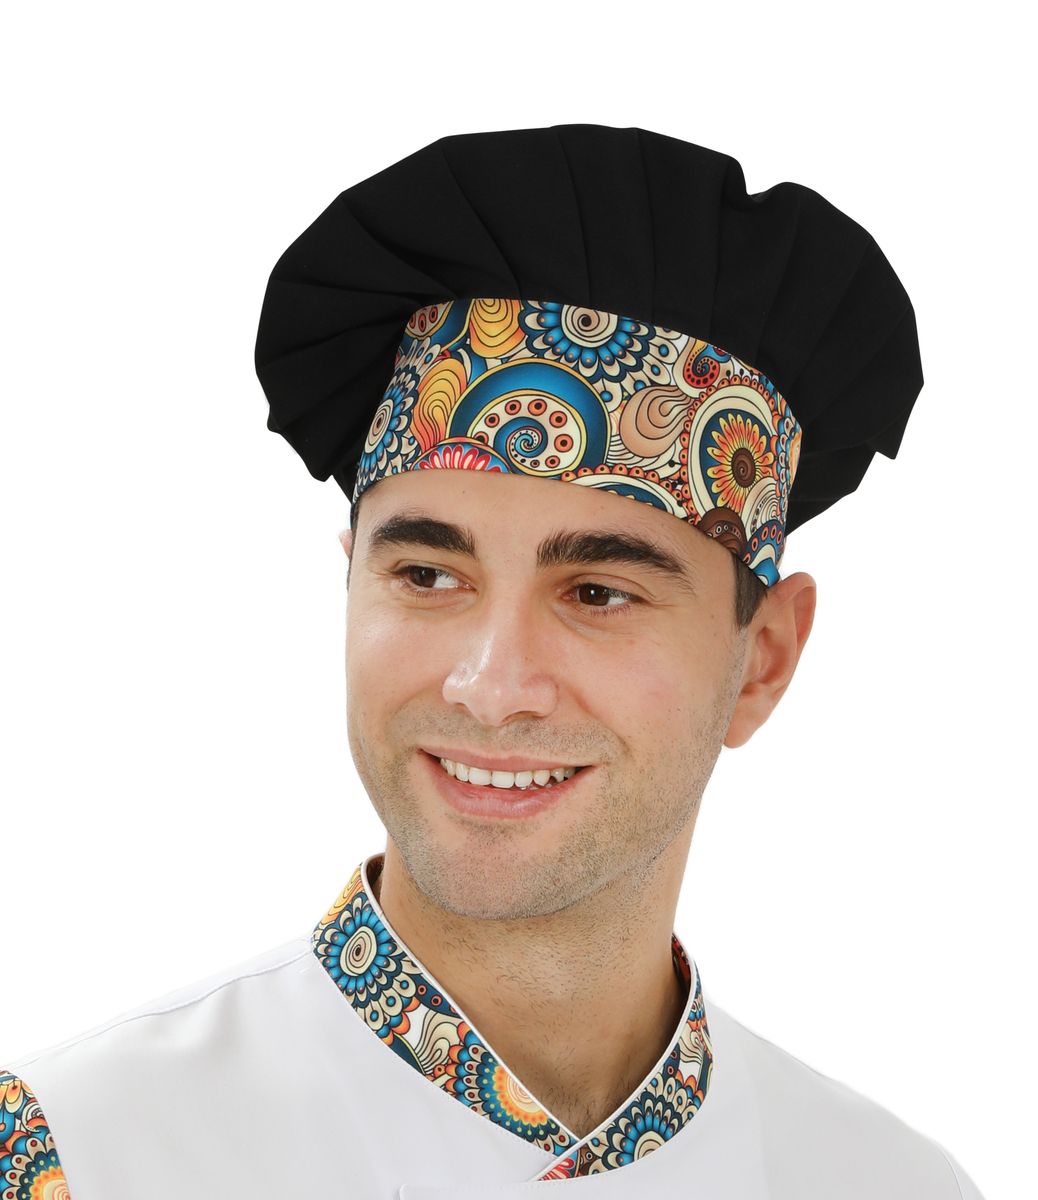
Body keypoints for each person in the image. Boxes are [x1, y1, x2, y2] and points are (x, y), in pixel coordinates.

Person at [1, 124, 985, 1198]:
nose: (490, 684)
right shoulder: (81, 1154)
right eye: (428, 575)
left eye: (598, 593)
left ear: (763, 663)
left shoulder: (892, 1185)